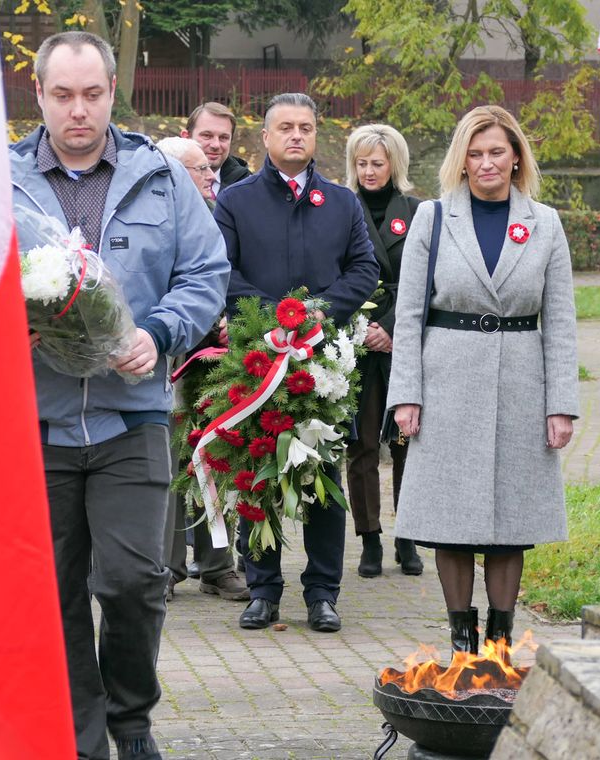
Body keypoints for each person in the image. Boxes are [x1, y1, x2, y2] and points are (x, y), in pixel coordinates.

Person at [10, 31, 230, 760]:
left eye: (93, 94)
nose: (79, 110)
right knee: (53, 593)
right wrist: (11, 326)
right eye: (63, 95)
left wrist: (160, 333)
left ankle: (130, 716)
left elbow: (205, 273)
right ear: (38, 94)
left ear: (113, 91)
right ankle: (82, 736)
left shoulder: (159, 178)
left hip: (131, 416)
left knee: (135, 579)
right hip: (32, 424)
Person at [386, 105, 578, 656]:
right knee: (450, 522)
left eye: (497, 151)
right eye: (475, 153)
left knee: (509, 524)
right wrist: (407, 394)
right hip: (447, 382)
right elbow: (408, 314)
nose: (486, 162)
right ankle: (461, 643)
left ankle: (500, 641)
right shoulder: (433, 218)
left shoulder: (546, 223)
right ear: (461, 161)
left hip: (522, 384)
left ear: (516, 157)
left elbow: (560, 320)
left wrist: (560, 403)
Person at [214, 93, 379, 633]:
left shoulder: (341, 202)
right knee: (259, 471)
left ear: (315, 136)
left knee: (325, 477)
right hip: (258, 359)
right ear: (263, 138)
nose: (296, 136)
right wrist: (271, 318)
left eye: (305, 127)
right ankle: (262, 589)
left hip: (324, 359)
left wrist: (314, 315)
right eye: (284, 127)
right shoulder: (236, 202)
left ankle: (323, 592)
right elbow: (220, 269)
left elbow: (363, 267)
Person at [155, 136, 249, 603]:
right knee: (170, 465)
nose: (213, 175)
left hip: (212, 360)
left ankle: (218, 565)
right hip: (164, 361)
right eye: (200, 169)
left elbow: (227, 276)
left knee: (216, 455)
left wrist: (230, 320)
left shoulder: (218, 217)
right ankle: (167, 566)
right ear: (172, 172)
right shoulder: (151, 219)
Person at [343, 124, 425, 579]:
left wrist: (391, 329)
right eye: (361, 163)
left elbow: (422, 283)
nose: (369, 171)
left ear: (395, 163)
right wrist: (363, 327)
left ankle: (408, 536)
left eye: (377, 162)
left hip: (402, 337)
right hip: (356, 339)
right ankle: (369, 537)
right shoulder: (341, 208)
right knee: (362, 443)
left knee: (406, 440)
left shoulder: (417, 211)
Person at [181, 102, 250, 200]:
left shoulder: (247, 186)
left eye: (223, 137)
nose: (216, 145)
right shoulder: (164, 181)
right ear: (186, 138)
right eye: (207, 136)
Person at [157, 136, 215, 204]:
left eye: (208, 167)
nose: (212, 176)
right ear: (173, 172)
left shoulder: (216, 211)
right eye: (202, 168)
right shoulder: (150, 212)